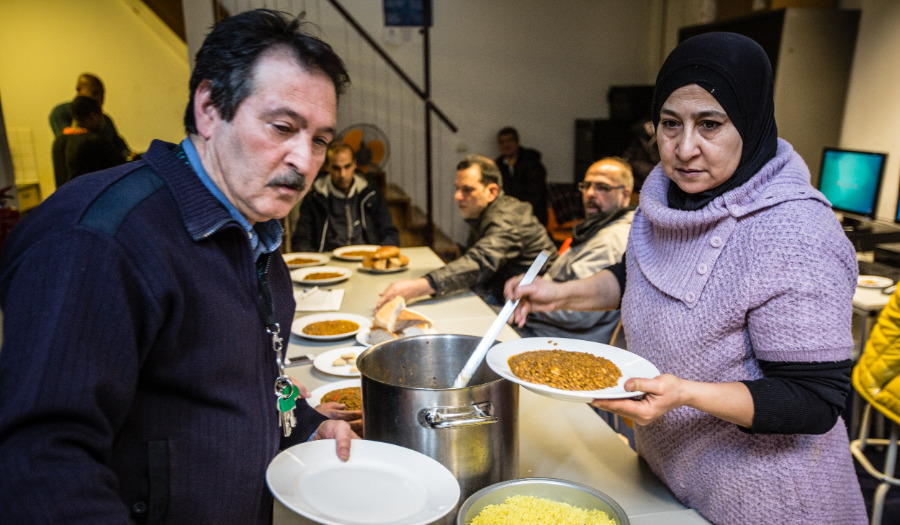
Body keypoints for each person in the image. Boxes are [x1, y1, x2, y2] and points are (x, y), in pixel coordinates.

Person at [0, 9, 357, 524]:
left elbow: (250, 375)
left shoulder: (256, 231)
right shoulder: (99, 242)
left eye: (321, 139)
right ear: (210, 108)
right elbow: (38, 464)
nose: (305, 160)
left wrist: (304, 424)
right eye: (283, 127)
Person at [505, 32, 867, 524]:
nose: (684, 149)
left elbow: (813, 399)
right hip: (672, 474)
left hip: (769, 500)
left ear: (753, 122)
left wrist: (687, 394)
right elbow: (640, 273)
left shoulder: (795, 232)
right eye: (670, 124)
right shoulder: (668, 195)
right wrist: (558, 293)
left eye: (711, 124)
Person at [377, 154, 557, 309]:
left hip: (535, 308)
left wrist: (420, 286)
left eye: (467, 190)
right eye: (457, 188)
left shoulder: (508, 218)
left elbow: (480, 261)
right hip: (506, 294)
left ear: (492, 192)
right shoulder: (486, 212)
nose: (457, 196)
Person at [517, 157, 634, 343]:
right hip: (547, 327)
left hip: (559, 339)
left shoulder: (611, 238)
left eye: (602, 187)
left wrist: (531, 305)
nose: (590, 193)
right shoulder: (598, 227)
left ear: (625, 195)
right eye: (586, 186)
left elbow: (579, 315)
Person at [291, 141, 399, 252]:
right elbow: (301, 241)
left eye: (347, 166)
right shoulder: (314, 199)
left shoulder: (372, 195)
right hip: (328, 262)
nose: (342, 174)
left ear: (355, 164)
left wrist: (380, 256)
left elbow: (390, 233)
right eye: (336, 168)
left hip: (367, 258)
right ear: (327, 167)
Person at [49, 72, 133, 159]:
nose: (100, 98)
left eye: (102, 94)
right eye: (95, 93)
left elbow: (121, 148)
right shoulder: (61, 113)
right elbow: (71, 146)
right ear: (79, 91)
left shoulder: (106, 119)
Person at [52, 95, 127, 188]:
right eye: (101, 116)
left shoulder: (58, 141)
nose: (103, 122)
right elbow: (122, 170)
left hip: (65, 201)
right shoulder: (95, 142)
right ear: (92, 116)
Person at [496, 126, 548, 226]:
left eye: (509, 141)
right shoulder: (498, 166)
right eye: (502, 142)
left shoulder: (532, 163)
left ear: (517, 142)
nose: (506, 145)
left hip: (532, 215)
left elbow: (536, 193)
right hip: (506, 217)